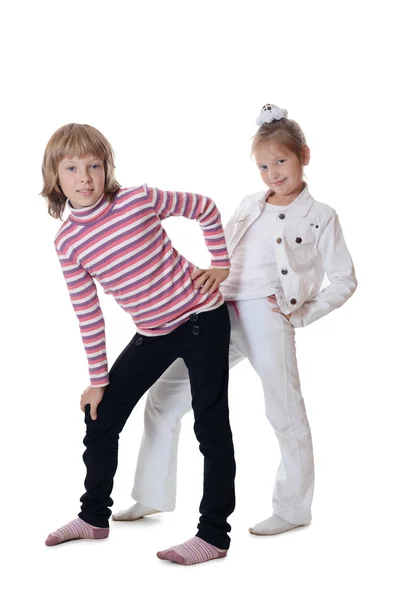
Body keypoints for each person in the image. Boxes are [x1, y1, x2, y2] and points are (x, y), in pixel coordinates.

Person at [113, 104, 357, 536]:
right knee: (165, 394)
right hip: (217, 311)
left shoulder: (321, 217)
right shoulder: (249, 204)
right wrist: (207, 278)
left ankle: (293, 508)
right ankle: (150, 494)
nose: (272, 173)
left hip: (267, 313)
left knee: (284, 409)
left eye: (281, 161)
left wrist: (301, 312)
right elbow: (222, 250)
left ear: (304, 154)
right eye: (263, 165)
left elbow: (344, 280)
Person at [42, 123, 235, 565]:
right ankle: (93, 517)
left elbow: (203, 208)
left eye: (94, 165)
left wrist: (220, 263)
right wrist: (98, 380)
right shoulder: (69, 242)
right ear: (55, 176)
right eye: (71, 168)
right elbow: (88, 313)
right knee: (101, 415)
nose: (85, 177)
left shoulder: (137, 199)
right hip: (154, 331)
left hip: (201, 316)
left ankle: (213, 536)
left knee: (210, 423)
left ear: (108, 169)